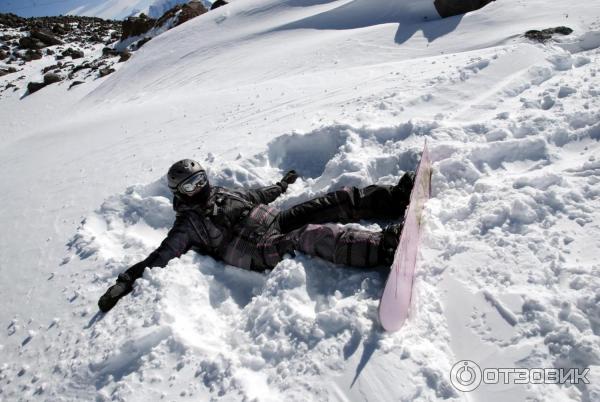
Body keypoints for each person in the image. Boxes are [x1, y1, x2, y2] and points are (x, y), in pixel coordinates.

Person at [98, 159, 415, 312]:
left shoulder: (222, 193)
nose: (199, 188)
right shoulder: (187, 226)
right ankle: (382, 247)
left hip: (275, 219)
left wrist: (282, 185)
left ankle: (394, 197)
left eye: (200, 180)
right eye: (190, 186)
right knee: (307, 235)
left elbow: (258, 195)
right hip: (257, 250)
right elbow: (158, 257)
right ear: (178, 193)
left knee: (331, 202)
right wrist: (126, 279)